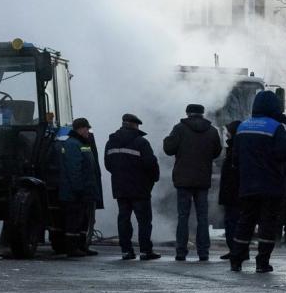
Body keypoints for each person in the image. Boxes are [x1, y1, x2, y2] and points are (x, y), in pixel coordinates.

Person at [230, 91, 286, 273]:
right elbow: (283, 154)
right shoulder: (275, 127)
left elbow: (235, 158)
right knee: (267, 224)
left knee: (245, 222)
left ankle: (236, 259)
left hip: (247, 185)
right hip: (270, 186)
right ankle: (262, 262)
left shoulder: (243, 127)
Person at [163, 104, 222, 262]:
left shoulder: (179, 129)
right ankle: (203, 252)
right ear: (202, 114)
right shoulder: (212, 131)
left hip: (183, 180)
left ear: (188, 113)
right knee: (203, 217)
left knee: (183, 216)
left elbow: (168, 149)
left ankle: (181, 252)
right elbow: (217, 152)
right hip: (203, 180)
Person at [104, 113, 161, 261]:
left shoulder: (111, 142)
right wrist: (153, 180)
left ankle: (126, 251)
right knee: (144, 221)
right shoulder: (141, 142)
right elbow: (151, 164)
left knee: (123, 219)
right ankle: (145, 251)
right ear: (135, 125)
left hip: (120, 187)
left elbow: (108, 164)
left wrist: (119, 176)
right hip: (140, 188)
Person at [59, 118, 101, 258]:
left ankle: (82, 246)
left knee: (83, 220)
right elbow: (74, 169)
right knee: (73, 221)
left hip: (85, 191)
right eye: (86, 129)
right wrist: (78, 189)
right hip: (74, 193)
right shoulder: (72, 144)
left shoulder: (82, 144)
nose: (88, 131)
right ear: (80, 129)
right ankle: (72, 248)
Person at [218, 120, 242, 260]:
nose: (226, 135)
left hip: (234, 193)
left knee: (233, 221)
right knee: (231, 221)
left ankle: (236, 250)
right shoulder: (233, 148)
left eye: (228, 132)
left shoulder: (235, 149)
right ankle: (234, 249)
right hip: (233, 192)